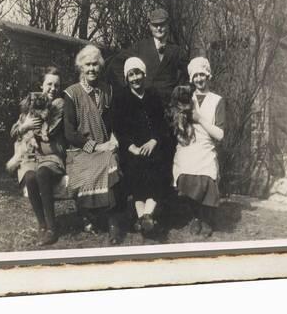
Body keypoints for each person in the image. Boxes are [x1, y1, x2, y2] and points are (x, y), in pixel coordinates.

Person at [63, 45, 123, 244]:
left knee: (112, 161)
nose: (92, 69)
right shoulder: (71, 94)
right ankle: (90, 216)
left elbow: (114, 121)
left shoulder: (108, 90)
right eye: (88, 64)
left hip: (105, 147)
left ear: (100, 67)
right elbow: (69, 133)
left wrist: (114, 138)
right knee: (103, 162)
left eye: (95, 64)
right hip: (80, 151)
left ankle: (114, 224)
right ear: (81, 67)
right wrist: (95, 147)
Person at [112, 57, 169, 235]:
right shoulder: (121, 98)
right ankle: (146, 218)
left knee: (157, 168)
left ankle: (143, 218)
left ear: (144, 75)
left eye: (138, 73)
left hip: (154, 146)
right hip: (132, 149)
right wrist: (132, 147)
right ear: (127, 78)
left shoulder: (153, 96)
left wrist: (154, 141)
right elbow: (118, 129)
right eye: (131, 75)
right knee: (135, 171)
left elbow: (163, 124)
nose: (135, 78)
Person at [10, 67, 66, 246]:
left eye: (56, 85)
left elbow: (50, 129)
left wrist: (34, 126)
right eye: (49, 84)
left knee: (42, 172)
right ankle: (42, 224)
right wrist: (25, 126)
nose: (52, 88)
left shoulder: (59, 105)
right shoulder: (31, 104)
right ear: (41, 86)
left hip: (52, 156)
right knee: (30, 176)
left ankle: (52, 228)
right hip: (31, 157)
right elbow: (14, 131)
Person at [170, 57, 225, 237]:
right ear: (191, 79)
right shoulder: (186, 96)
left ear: (208, 75)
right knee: (185, 171)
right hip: (187, 144)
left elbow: (220, 134)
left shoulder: (217, 100)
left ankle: (206, 218)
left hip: (206, 145)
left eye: (202, 74)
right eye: (196, 76)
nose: (199, 79)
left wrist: (199, 118)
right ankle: (195, 216)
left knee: (207, 173)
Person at [106, 8, 189, 107]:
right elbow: (116, 64)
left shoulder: (176, 50)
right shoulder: (140, 47)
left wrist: (179, 91)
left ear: (168, 25)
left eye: (162, 24)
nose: (159, 28)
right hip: (144, 102)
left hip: (168, 105)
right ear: (149, 26)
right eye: (155, 25)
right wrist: (128, 86)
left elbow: (189, 72)